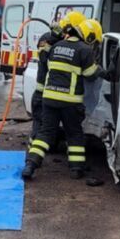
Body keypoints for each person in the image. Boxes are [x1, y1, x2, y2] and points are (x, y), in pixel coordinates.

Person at [22, 16, 102, 181]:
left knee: (45, 133)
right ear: (90, 37)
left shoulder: (56, 46)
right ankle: (76, 169)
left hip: (49, 99)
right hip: (70, 102)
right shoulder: (84, 50)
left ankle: (30, 165)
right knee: (74, 134)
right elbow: (90, 75)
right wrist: (103, 70)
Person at [29, 12, 86, 147]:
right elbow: (43, 57)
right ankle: (31, 155)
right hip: (42, 94)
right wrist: (54, 38)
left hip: (53, 94)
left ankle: (36, 154)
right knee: (40, 128)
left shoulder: (62, 42)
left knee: (50, 132)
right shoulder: (48, 39)